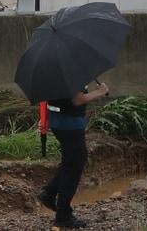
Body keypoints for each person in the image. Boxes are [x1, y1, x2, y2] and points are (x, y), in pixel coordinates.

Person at [39, 80, 111, 230]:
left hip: (58, 121)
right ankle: (63, 216)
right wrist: (100, 92)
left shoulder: (56, 71)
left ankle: (49, 193)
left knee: (70, 161)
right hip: (69, 124)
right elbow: (77, 100)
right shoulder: (70, 74)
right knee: (75, 165)